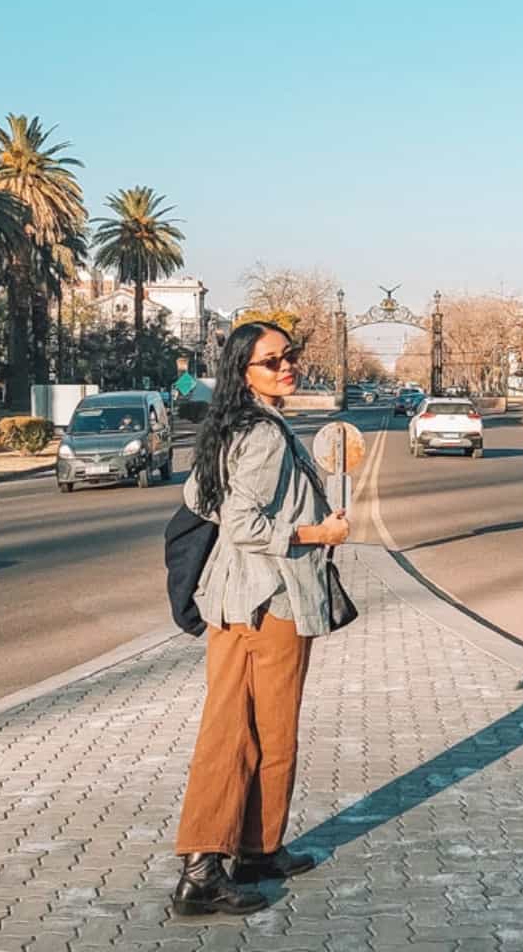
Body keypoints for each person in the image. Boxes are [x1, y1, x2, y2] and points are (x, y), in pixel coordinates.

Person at [171, 322, 346, 918]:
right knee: (234, 734)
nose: (286, 367)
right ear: (244, 373)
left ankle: (258, 849)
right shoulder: (263, 435)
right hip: (262, 603)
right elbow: (243, 524)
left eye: (289, 356)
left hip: (252, 600)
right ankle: (201, 872)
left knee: (273, 732)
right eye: (271, 361)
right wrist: (316, 533)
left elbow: (198, 499)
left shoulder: (235, 425)